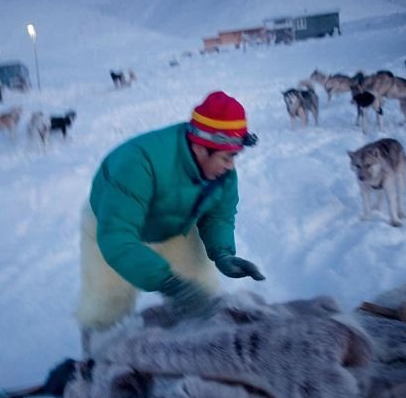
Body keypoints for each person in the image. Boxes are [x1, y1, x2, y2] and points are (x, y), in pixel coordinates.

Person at [75, 91, 265, 344]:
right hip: (111, 224)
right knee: (107, 305)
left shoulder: (222, 173)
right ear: (200, 147)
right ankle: (94, 365)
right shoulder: (138, 163)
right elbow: (117, 238)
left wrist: (222, 253)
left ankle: (194, 352)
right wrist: (169, 283)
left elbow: (219, 215)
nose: (230, 166)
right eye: (226, 157)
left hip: (173, 226)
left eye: (234, 157)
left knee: (202, 294)